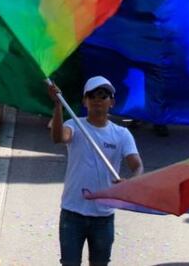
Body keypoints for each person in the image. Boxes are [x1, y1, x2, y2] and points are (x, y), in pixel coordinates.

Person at [48, 77, 142, 266]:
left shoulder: (121, 134)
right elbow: (58, 137)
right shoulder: (74, 125)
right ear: (85, 101)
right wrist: (58, 106)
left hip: (103, 216)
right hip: (72, 212)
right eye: (91, 95)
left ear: (112, 102)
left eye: (103, 95)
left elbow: (137, 165)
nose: (97, 100)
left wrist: (131, 182)